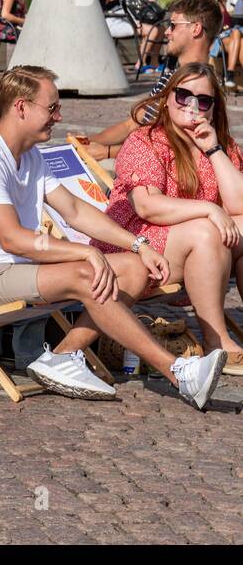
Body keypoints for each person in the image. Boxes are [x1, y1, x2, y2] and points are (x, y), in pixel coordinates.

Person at [0, 65, 226, 407]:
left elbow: (73, 210)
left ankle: (63, 355)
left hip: (11, 267)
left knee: (132, 269)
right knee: (87, 272)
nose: (59, 115)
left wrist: (138, 244)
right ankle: (180, 374)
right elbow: (12, 238)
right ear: (21, 107)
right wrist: (83, 253)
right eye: (52, 107)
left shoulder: (29, 155)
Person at [91, 62, 243, 375]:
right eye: (183, 95)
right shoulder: (145, 141)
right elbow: (148, 207)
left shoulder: (220, 143)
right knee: (205, 230)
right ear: (167, 97)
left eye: (203, 100)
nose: (191, 105)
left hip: (188, 247)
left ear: (213, 107)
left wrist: (213, 149)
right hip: (135, 247)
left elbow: (239, 205)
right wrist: (209, 209)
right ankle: (216, 342)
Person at [81, 0, 222, 162]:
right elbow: (132, 124)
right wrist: (88, 142)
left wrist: (106, 152)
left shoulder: (200, 86)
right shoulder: (173, 74)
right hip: (139, 159)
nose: (167, 32)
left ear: (196, 29)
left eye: (173, 25)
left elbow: (176, 148)